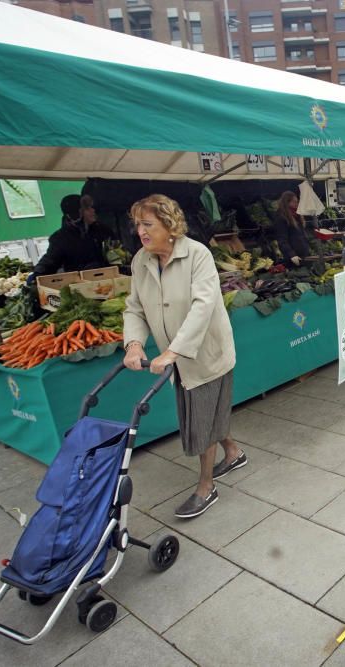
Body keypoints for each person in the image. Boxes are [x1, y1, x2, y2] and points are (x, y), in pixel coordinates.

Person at [122, 194, 247, 519]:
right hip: (174, 356)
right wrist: (134, 344)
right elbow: (134, 307)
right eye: (138, 225)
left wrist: (172, 351)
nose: (141, 232)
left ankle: (206, 487)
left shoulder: (197, 255)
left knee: (202, 420)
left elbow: (203, 306)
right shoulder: (141, 261)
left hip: (205, 353)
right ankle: (232, 451)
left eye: (148, 224)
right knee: (207, 412)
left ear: (169, 225)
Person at [32, 194, 111, 276]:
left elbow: (117, 254)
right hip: (78, 283)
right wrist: (37, 274)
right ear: (76, 214)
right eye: (87, 208)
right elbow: (50, 261)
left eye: (92, 207)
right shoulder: (60, 238)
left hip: (108, 278)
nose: (93, 210)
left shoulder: (103, 230)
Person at [273, 191, 311, 266]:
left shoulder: (297, 215)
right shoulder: (281, 218)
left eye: (297, 202)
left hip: (303, 254)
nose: (297, 204)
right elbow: (282, 239)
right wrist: (292, 255)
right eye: (294, 202)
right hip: (293, 258)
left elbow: (301, 235)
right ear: (287, 202)